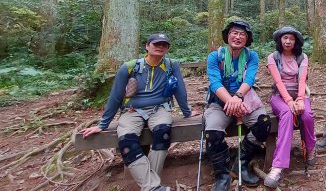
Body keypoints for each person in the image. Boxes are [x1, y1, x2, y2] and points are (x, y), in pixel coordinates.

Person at [80, 33, 197, 191]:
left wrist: (187, 112)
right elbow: (115, 96)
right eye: (156, 44)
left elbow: (179, 89)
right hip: (132, 110)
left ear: (168, 48)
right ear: (147, 46)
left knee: (163, 132)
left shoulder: (171, 65)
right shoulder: (129, 67)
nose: (160, 47)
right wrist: (102, 125)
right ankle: (153, 186)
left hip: (160, 108)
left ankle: (150, 186)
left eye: (164, 44)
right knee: (126, 141)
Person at [204, 20, 271, 191]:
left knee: (264, 122)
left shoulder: (251, 56)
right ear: (227, 35)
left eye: (242, 34)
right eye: (234, 32)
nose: (238, 36)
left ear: (247, 38)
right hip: (220, 102)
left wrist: (238, 97)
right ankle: (222, 174)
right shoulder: (215, 56)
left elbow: (249, 78)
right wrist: (231, 101)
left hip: (245, 99)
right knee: (212, 131)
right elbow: (215, 82)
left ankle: (241, 162)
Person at [264, 26, 316, 188]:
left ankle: (310, 148)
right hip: (280, 97)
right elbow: (278, 82)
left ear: (296, 41)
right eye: (285, 38)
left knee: (307, 115)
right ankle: (278, 165)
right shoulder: (273, 57)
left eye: (291, 39)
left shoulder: (302, 57)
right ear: (280, 40)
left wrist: (300, 99)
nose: (288, 41)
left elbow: (302, 80)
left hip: (298, 94)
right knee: (287, 114)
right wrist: (289, 101)